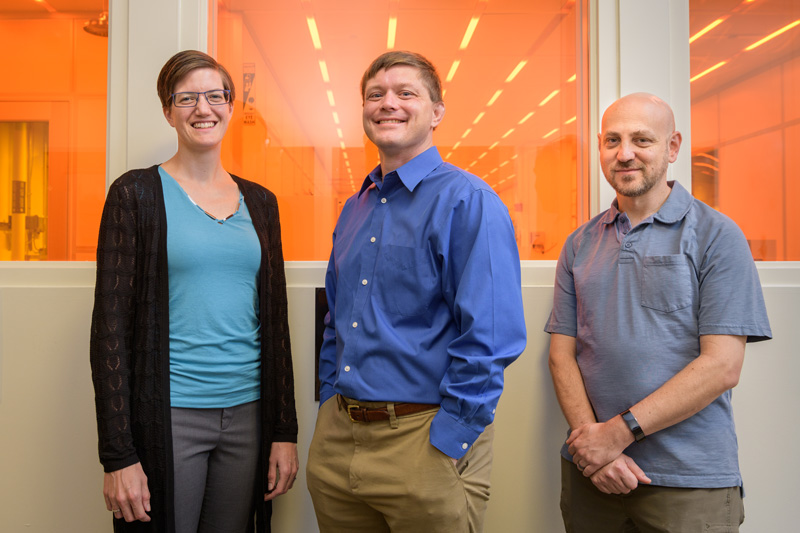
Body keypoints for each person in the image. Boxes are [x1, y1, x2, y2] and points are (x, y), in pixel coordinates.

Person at [305, 50, 527, 533]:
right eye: (375, 94)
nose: (389, 103)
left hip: (423, 442)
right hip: (340, 442)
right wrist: (328, 403)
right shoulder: (355, 207)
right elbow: (336, 317)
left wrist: (451, 436)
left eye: (406, 93)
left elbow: (491, 335)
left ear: (437, 112)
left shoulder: (468, 201)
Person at [90, 50, 298, 532]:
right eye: (187, 98)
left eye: (214, 96)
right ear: (168, 111)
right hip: (169, 413)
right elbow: (110, 332)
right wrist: (117, 454)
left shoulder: (261, 204)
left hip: (247, 415)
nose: (203, 108)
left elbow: (278, 325)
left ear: (230, 105)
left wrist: (283, 432)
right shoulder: (135, 195)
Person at [545, 92, 772, 532]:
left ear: (672, 148)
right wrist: (594, 450)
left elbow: (722, 366)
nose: (624, 153)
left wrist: (616, 435)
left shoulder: (716, 236)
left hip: (689, 482)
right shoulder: (578, 244)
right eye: (612, 140)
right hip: (592, 477)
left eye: (641, 140)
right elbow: (561, 355)